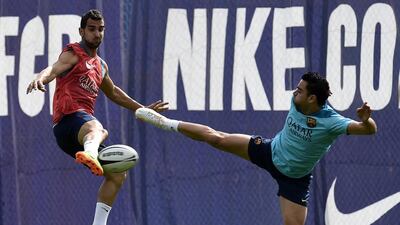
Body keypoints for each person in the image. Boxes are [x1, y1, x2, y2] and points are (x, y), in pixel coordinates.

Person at [135, 72, 377, 225]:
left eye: (300, 90)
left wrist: (366, 120)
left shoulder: (332, 121)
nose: (295, 91)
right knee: (217, 138)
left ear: (313, 98)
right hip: (269, 152)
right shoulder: (297, 101)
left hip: (295, 179)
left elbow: (369, 131)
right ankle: (166, 123)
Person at [26, 9, 168, 225]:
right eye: (91, 29)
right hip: (68, 121)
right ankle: (90, 153)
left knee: (118, 174)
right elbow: (54, 68)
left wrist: (143, 109)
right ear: (82, 31)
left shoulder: (100, 66)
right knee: (99, 129)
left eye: (100, 29)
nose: (97, 34)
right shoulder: (73, 53)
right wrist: (40, 78)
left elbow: (114, 92)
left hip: (78, 138)